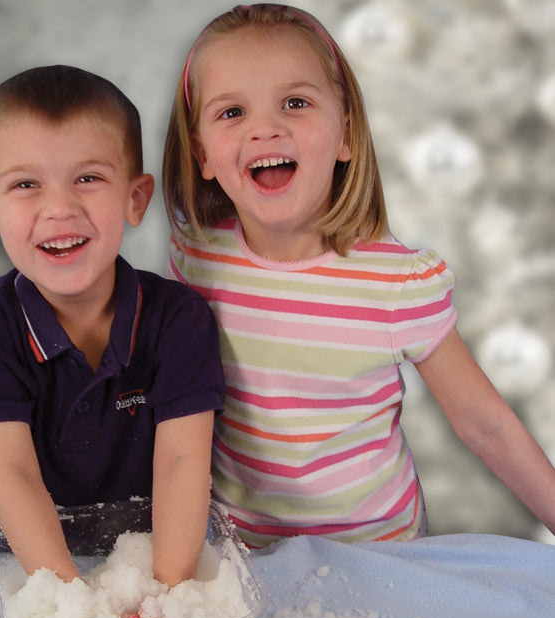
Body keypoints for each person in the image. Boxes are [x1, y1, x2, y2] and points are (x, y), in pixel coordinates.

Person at [162, 4, 555, 547]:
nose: (265, 129)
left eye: (295, 103)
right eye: (232, 113)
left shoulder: (398, 283)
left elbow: (485, 425)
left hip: (378, 554)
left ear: (345, 134)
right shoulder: (196, 258)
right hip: (244, 554)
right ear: (202, 152)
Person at [0, 65, 225, 586]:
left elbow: (182, 464)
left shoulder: (179, 319)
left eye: (88, 178)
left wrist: (167, 592)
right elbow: (13, 472)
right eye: (26, 184)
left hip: (155, 557)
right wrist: (70, 606)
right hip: (31, 570)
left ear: (135, 198)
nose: (59, 208)